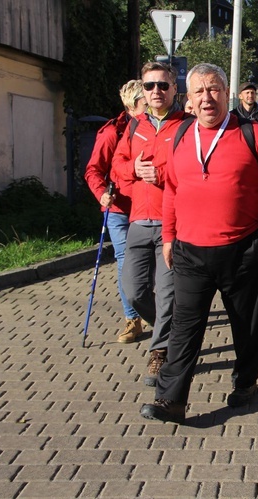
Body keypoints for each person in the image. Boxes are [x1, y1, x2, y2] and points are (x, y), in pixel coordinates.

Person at [140, 63, 258, 423]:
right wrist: (168, 236)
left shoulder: (251, 132)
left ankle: (246, 380)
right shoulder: (180, 135)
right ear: (188, 99)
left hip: (242, 248)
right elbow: (172, 190)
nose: (207, 98)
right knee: (183, 328)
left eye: (214, 90)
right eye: (199, 92)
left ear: (226, 93)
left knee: (247, 325)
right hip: (190, 251)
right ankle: (171, 400)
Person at [112, 61, 185, 387]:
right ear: (142, 89)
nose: (156, 91)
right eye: (149, 85)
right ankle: (169, 330)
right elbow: (117, 166)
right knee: (134, 289)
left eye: (162, 85)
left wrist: (163, 175)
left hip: (173, 222)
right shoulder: (133, 127)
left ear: (174, 88)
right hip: (139, 220)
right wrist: (134, 172)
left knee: (167, 294)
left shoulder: (186, 126)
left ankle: (160, 352)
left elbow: (195, 171)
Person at [84, 79, 146, 343]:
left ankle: (157, 310)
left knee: (154, 265)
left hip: (148, 208)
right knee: (125, 262)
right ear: (133, 106)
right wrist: (101, 193)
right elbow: (93, 170)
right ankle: (132, 318)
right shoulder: (112, 133)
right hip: (120, 209)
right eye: (145, 102)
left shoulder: (157, 128)